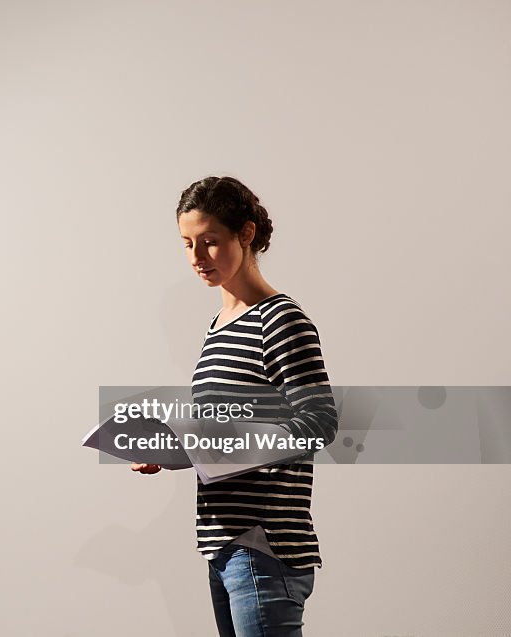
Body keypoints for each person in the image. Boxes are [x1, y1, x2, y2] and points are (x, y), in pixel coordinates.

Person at [132, 176, 338, 636]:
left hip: (263, 548)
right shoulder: (219, 327)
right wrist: (172, 452)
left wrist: (220, 443)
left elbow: (319, 422)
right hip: (223, 546)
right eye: (187, 244)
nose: (196, 258)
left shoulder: (280, 320)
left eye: (210, 242)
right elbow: (224, 435)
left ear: (246, 234)